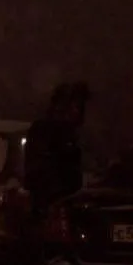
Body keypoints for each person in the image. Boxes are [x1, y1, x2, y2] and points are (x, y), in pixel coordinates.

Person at [24, 81, 90, 218]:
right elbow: (39, 170)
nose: (77, 112)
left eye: (79, 107)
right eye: (74, 107)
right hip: (50, 206)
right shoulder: (45, 131)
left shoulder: (70, 134)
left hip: (63, 203)